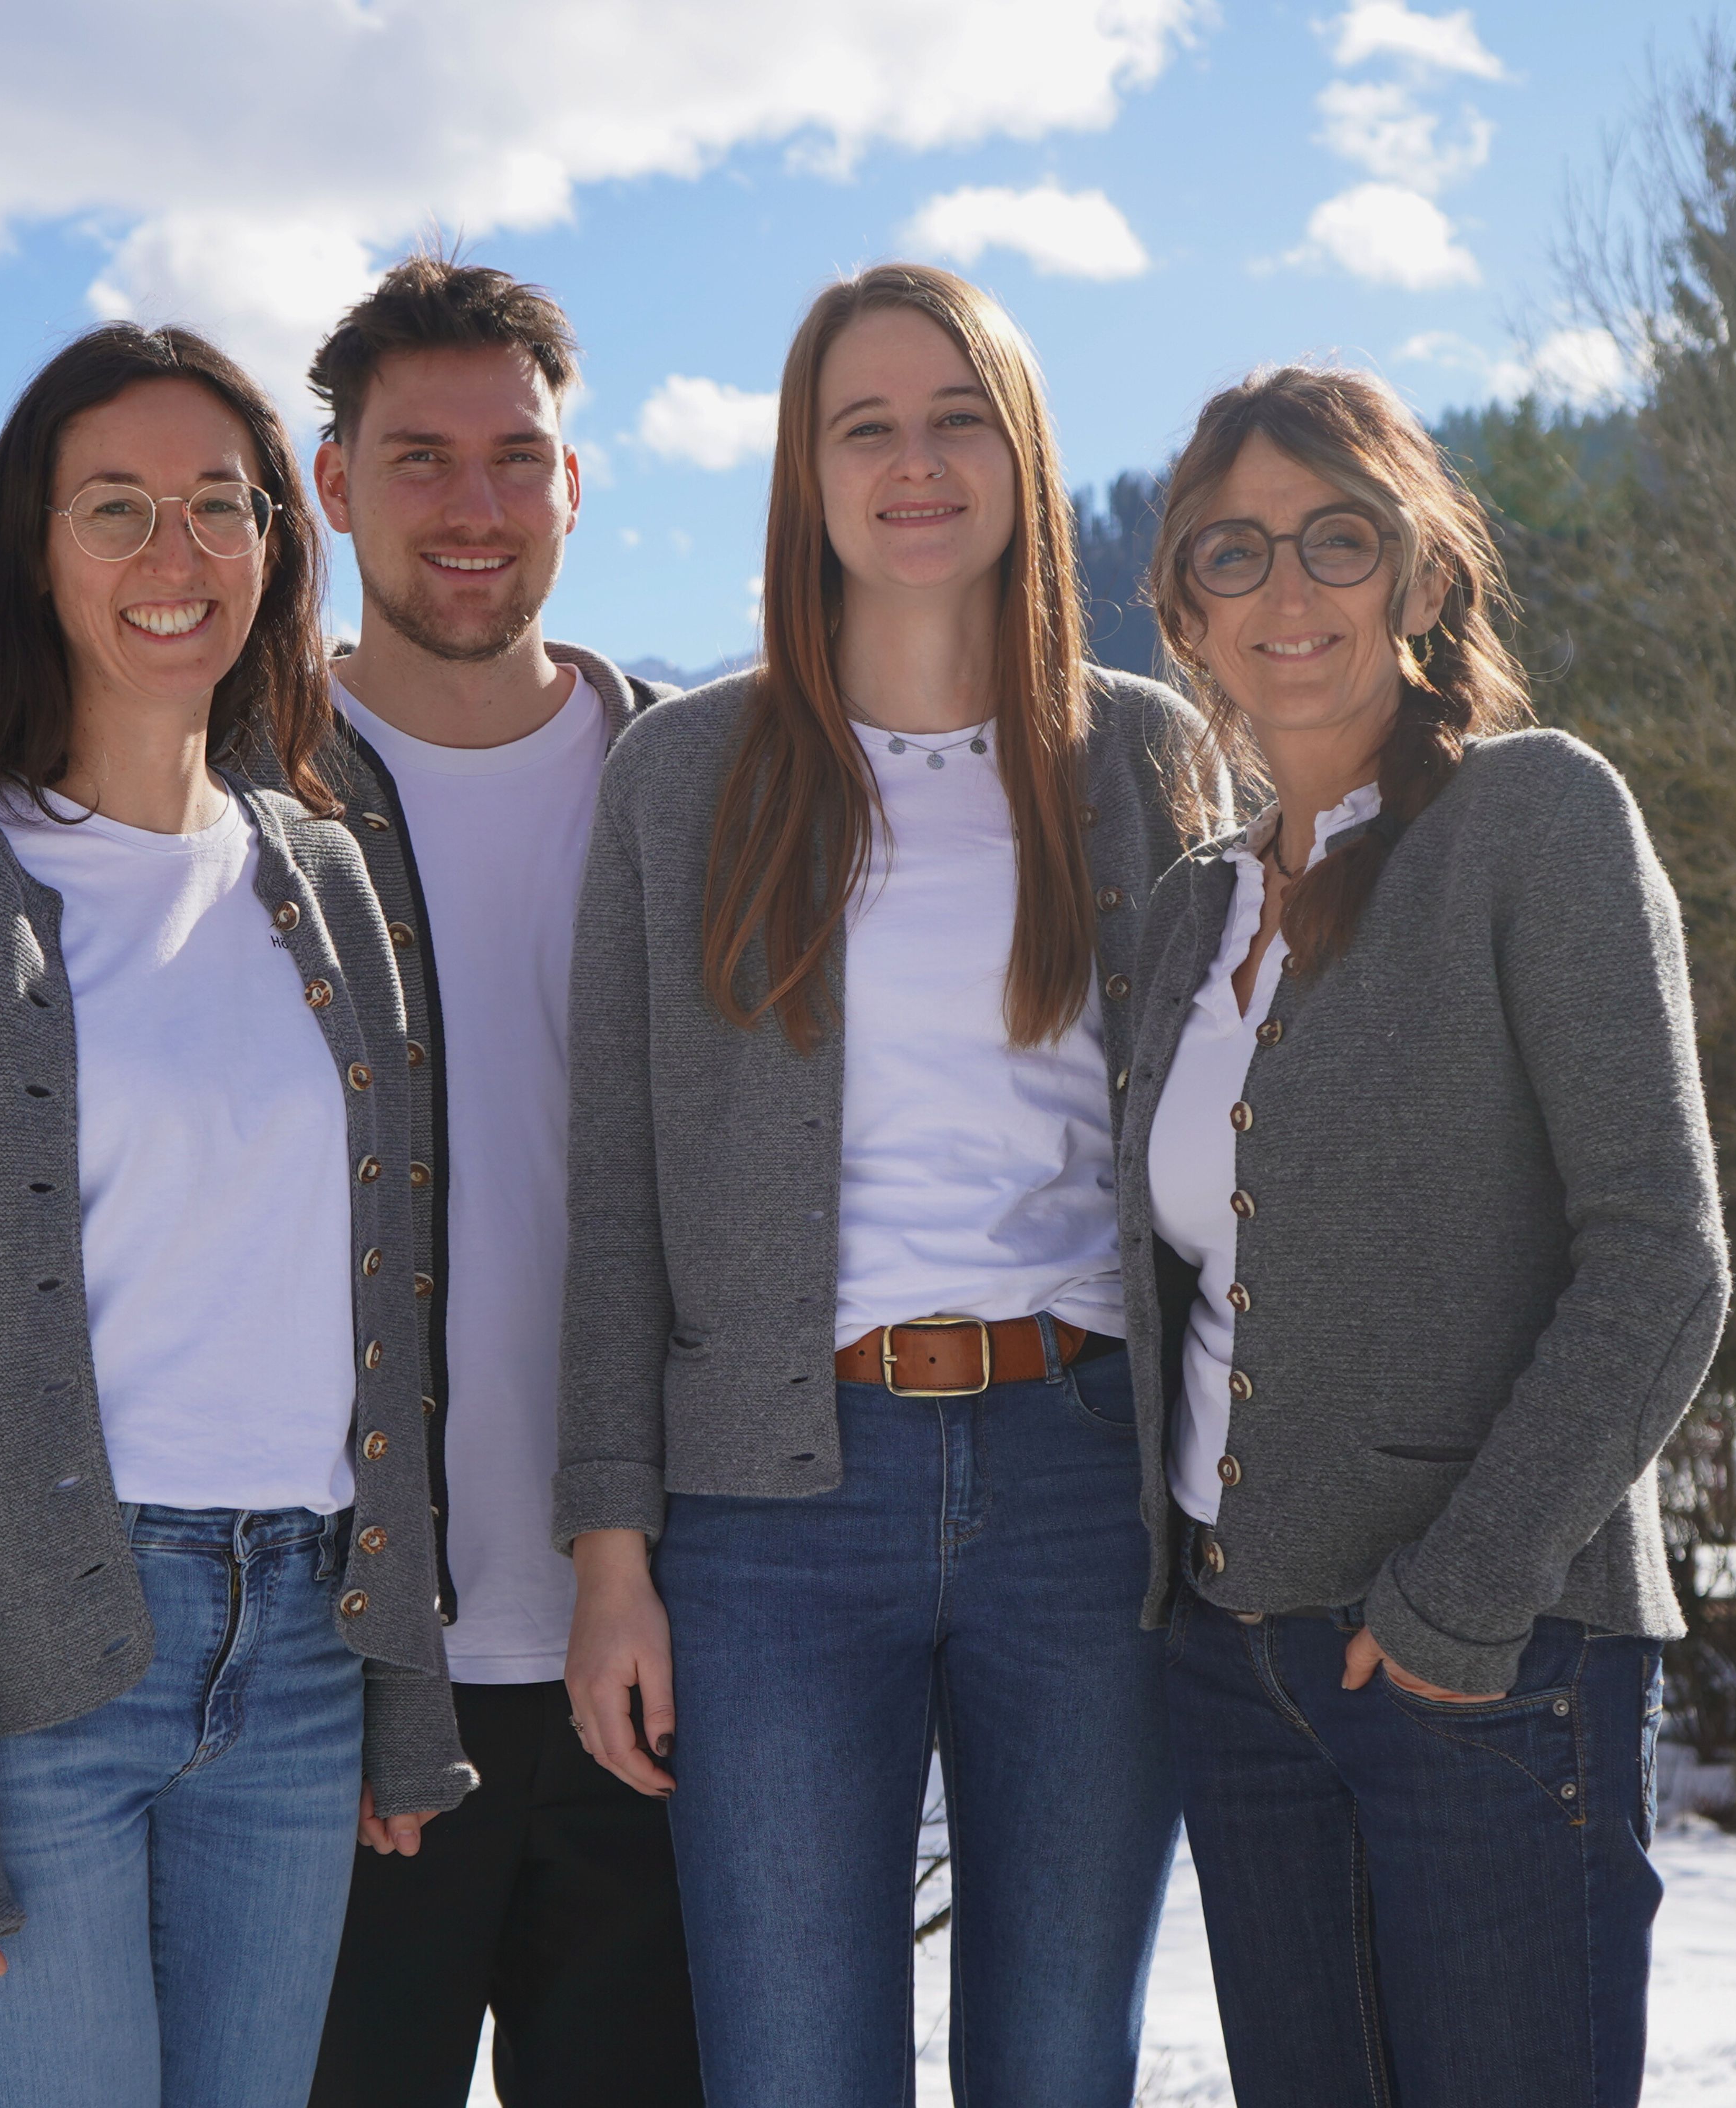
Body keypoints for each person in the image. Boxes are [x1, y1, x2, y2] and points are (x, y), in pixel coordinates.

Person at [0, 321, 472, 2108]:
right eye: (117, 509)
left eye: (219, 506)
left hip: (303, 1656)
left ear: (275, 545)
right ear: (33, 550)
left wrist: (401, 1691)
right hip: (35, 1686)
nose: (179, 554)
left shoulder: (327, 876)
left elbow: (391, 1321)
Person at [557, 262, 1212, 2104]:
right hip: (775, 1512)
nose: (914, 464)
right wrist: (611, 1556)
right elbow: (616, 1194)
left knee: (1060, 2062)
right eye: (866, 427)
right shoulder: (684, 775)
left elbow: (1232, 1138)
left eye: (955, 420)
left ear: (1023, 455)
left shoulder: (1144, 759)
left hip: (1084, 1482)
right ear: (807, 474)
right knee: (790, 2071)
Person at [1115, 364, 1729, 2107]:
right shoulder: (1188, 913)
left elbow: (1661, 1259)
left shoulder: (1534, 818)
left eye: (1340, 538)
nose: (1290, 589)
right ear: (1187, 608)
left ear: (1425, 575)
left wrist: (1460, 1603)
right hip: (1238, 1668)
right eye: (1236, 552)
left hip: (1490, 1665)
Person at [285, 256, 701, 2108]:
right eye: (420, 458)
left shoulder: (706, 790)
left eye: (515, 457)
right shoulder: (236, 797)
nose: (474, 506)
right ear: (333, 485)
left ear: (575, 484)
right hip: (342, 1682)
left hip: (673, 1652)